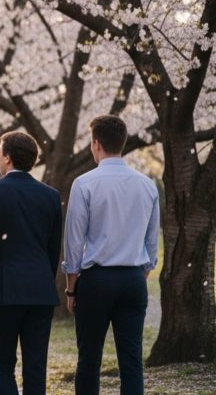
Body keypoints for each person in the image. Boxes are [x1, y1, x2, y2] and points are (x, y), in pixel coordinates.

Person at [63, 115, 159, 395]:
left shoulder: (84, 183)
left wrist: (71, 289)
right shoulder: (147, 184)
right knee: (132, 362)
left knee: (89, 359)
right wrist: (139, 275)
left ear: (96, 144)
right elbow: (151, 244)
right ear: (123, 142)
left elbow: (74, 240)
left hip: (97, 280)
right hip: (133, 279)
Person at [0, 131, 63, 395]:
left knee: (2, 365)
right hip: (40, 291)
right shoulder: (50, 195)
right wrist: (43, 279)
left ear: (8, 157)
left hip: (4, 292)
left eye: (1, 152)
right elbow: (53, 248)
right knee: (36, 366)